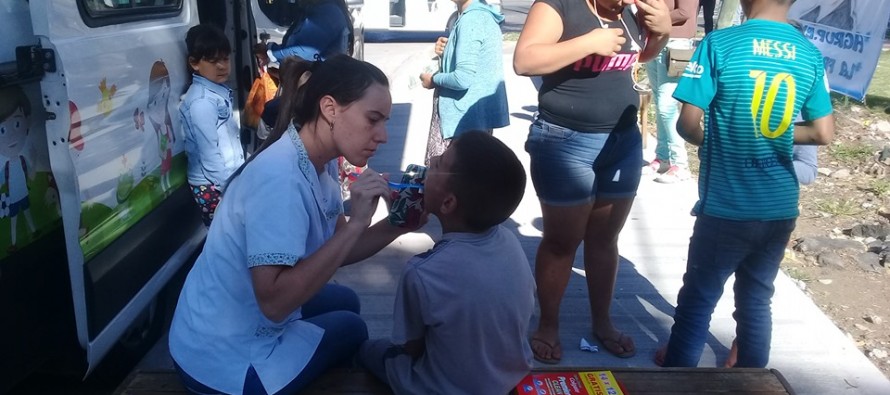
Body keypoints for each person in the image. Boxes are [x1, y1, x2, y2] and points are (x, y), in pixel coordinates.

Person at [168, 54, 407, 395]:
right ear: (330, 109)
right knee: (351, 326)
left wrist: (399, 225)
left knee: (346, 300)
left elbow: (339, 246)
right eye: (373, 120)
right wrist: (358, 223)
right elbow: (275, 304)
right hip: (221, 363)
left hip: (220, 325)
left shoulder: (318, 161)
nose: (382, 136)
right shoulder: (280, 179)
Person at [656, 0, 834, 368]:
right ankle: (753, 382)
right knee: (755, 300)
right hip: (779, 207)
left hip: (726, 206)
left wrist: (725, 135)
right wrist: (776, 135)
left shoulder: (720, 44)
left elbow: (688, 125)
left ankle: (677, 383)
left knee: (698, 302)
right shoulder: (809, 53)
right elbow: (822, 132)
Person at [513, 0, 671, 363]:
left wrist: (660, 32)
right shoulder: (558, 6)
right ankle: (548, 325)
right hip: (565, 140)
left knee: (604, 239)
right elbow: (525, 60)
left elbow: (638, 57)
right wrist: (587, 43)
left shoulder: (631, 10)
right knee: (561, 242)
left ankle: (603, 322)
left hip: (623, 140)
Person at [357, 131, 535, 394]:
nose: (432, 158)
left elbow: (410, 347)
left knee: (366, 348)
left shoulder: (423, 272)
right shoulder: (509, 241)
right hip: (507, 376)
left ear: (449, 202)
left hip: (440, 387)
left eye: (439, 163)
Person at [419, 0, 509, 164]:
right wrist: (446, 53)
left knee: (449, 183)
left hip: (461, 125)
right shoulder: (479, 16)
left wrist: (433, 80)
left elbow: (462, 78)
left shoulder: (472, 19)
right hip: (472, 123)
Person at [180, 24, 245, 226]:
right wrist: (228, 187)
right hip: (214, 185)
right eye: (213, 61)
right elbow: (209, 153)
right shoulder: (202, 103)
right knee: (224, 236)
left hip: (225, 179)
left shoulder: (216, 92)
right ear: (194, 63)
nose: (222, 66)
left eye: (225, 59)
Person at [642, 0, 698, 183]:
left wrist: (652, 18)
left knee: (667, 105)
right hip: (655, 41)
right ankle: (662, 157)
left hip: (676, 46)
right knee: (659, 103)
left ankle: (681, 164)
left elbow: (685, 12)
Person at [256, 0, 354, 64]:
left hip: (318, 88)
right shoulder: (322, 10)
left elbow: (303, 52)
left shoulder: (327, 12)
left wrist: (269, 51)